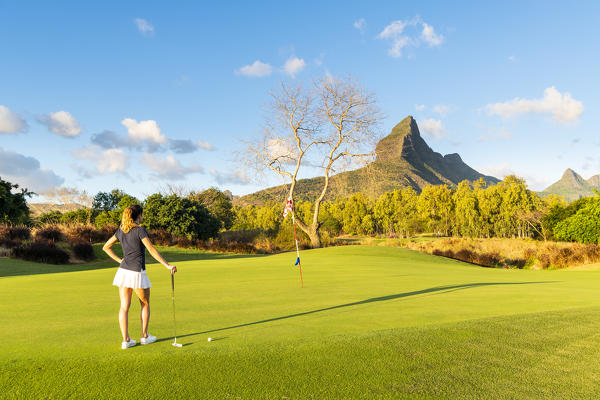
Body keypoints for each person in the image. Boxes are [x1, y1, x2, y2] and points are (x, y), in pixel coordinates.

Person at [102, 204, 177, 349]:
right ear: (139, 215)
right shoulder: (140, 230)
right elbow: (151, 249)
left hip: (123, 272)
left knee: (124, 307)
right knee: (145, 303)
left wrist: (120, 261)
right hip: (137, 272)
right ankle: (144, 336)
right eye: (142, 214)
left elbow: (105, 247)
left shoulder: (120, 231)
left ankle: (126, 340)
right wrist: (167, 265)